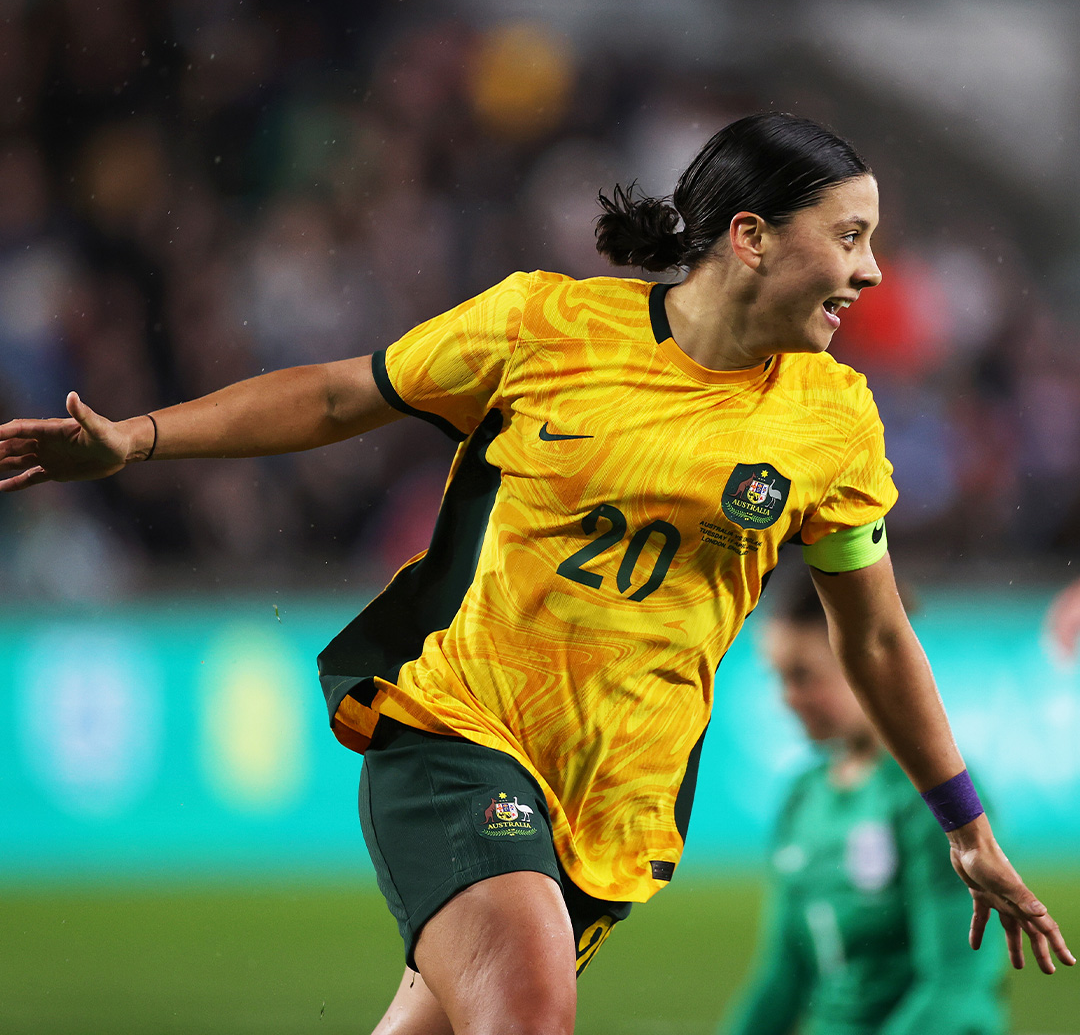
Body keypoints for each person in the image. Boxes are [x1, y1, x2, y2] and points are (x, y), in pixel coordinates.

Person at [0, 114, 1072, 1035]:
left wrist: (965, 827)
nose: (873, 271)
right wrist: (136, 439)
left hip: (615, 807)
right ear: (751, 237)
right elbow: (340, 395)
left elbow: (877, 636)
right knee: (528, 1017)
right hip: (461, 734)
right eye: (849, 237)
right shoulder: (546, 323)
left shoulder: (833, 420)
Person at [720, 573, 1006, 1035]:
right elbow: (783, 977)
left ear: (861, 661)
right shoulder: (803, 796)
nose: (786, 699)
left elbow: (956, 987)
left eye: (802, 676)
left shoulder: (932, 801)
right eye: (778, 678)